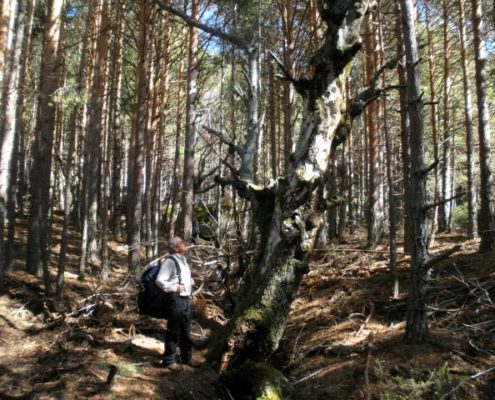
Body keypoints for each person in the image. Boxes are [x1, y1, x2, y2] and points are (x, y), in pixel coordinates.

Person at [155, 236, 196, 370]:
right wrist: (174, 287)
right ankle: (169, 361)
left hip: (186, 300)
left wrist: (189, 282)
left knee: (186, 331)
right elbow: (159, 280)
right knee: (173, 331)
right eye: (182, 243)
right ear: (176, 247)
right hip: (176, 301)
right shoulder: (170, 262)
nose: (185, 244)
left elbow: (180, 278)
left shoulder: (183, 260)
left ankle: (186, 358)